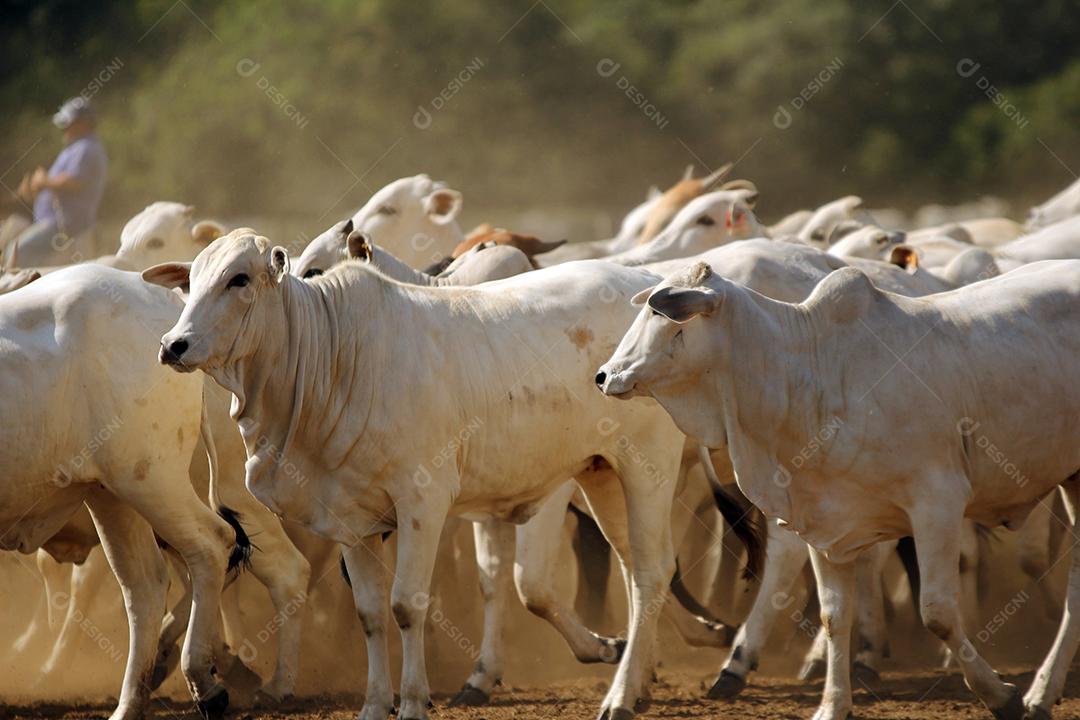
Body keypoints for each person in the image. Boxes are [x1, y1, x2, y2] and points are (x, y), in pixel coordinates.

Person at [2, 97, 108, 268]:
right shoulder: (78, 148)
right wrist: (38, 187)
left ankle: (18, 290)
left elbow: (75, 181)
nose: (64, 128)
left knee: (17, 252)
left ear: (82, 123)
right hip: (56, 223)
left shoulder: (86, 148)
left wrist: (43, 181)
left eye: (69, 123)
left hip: (65, 225)